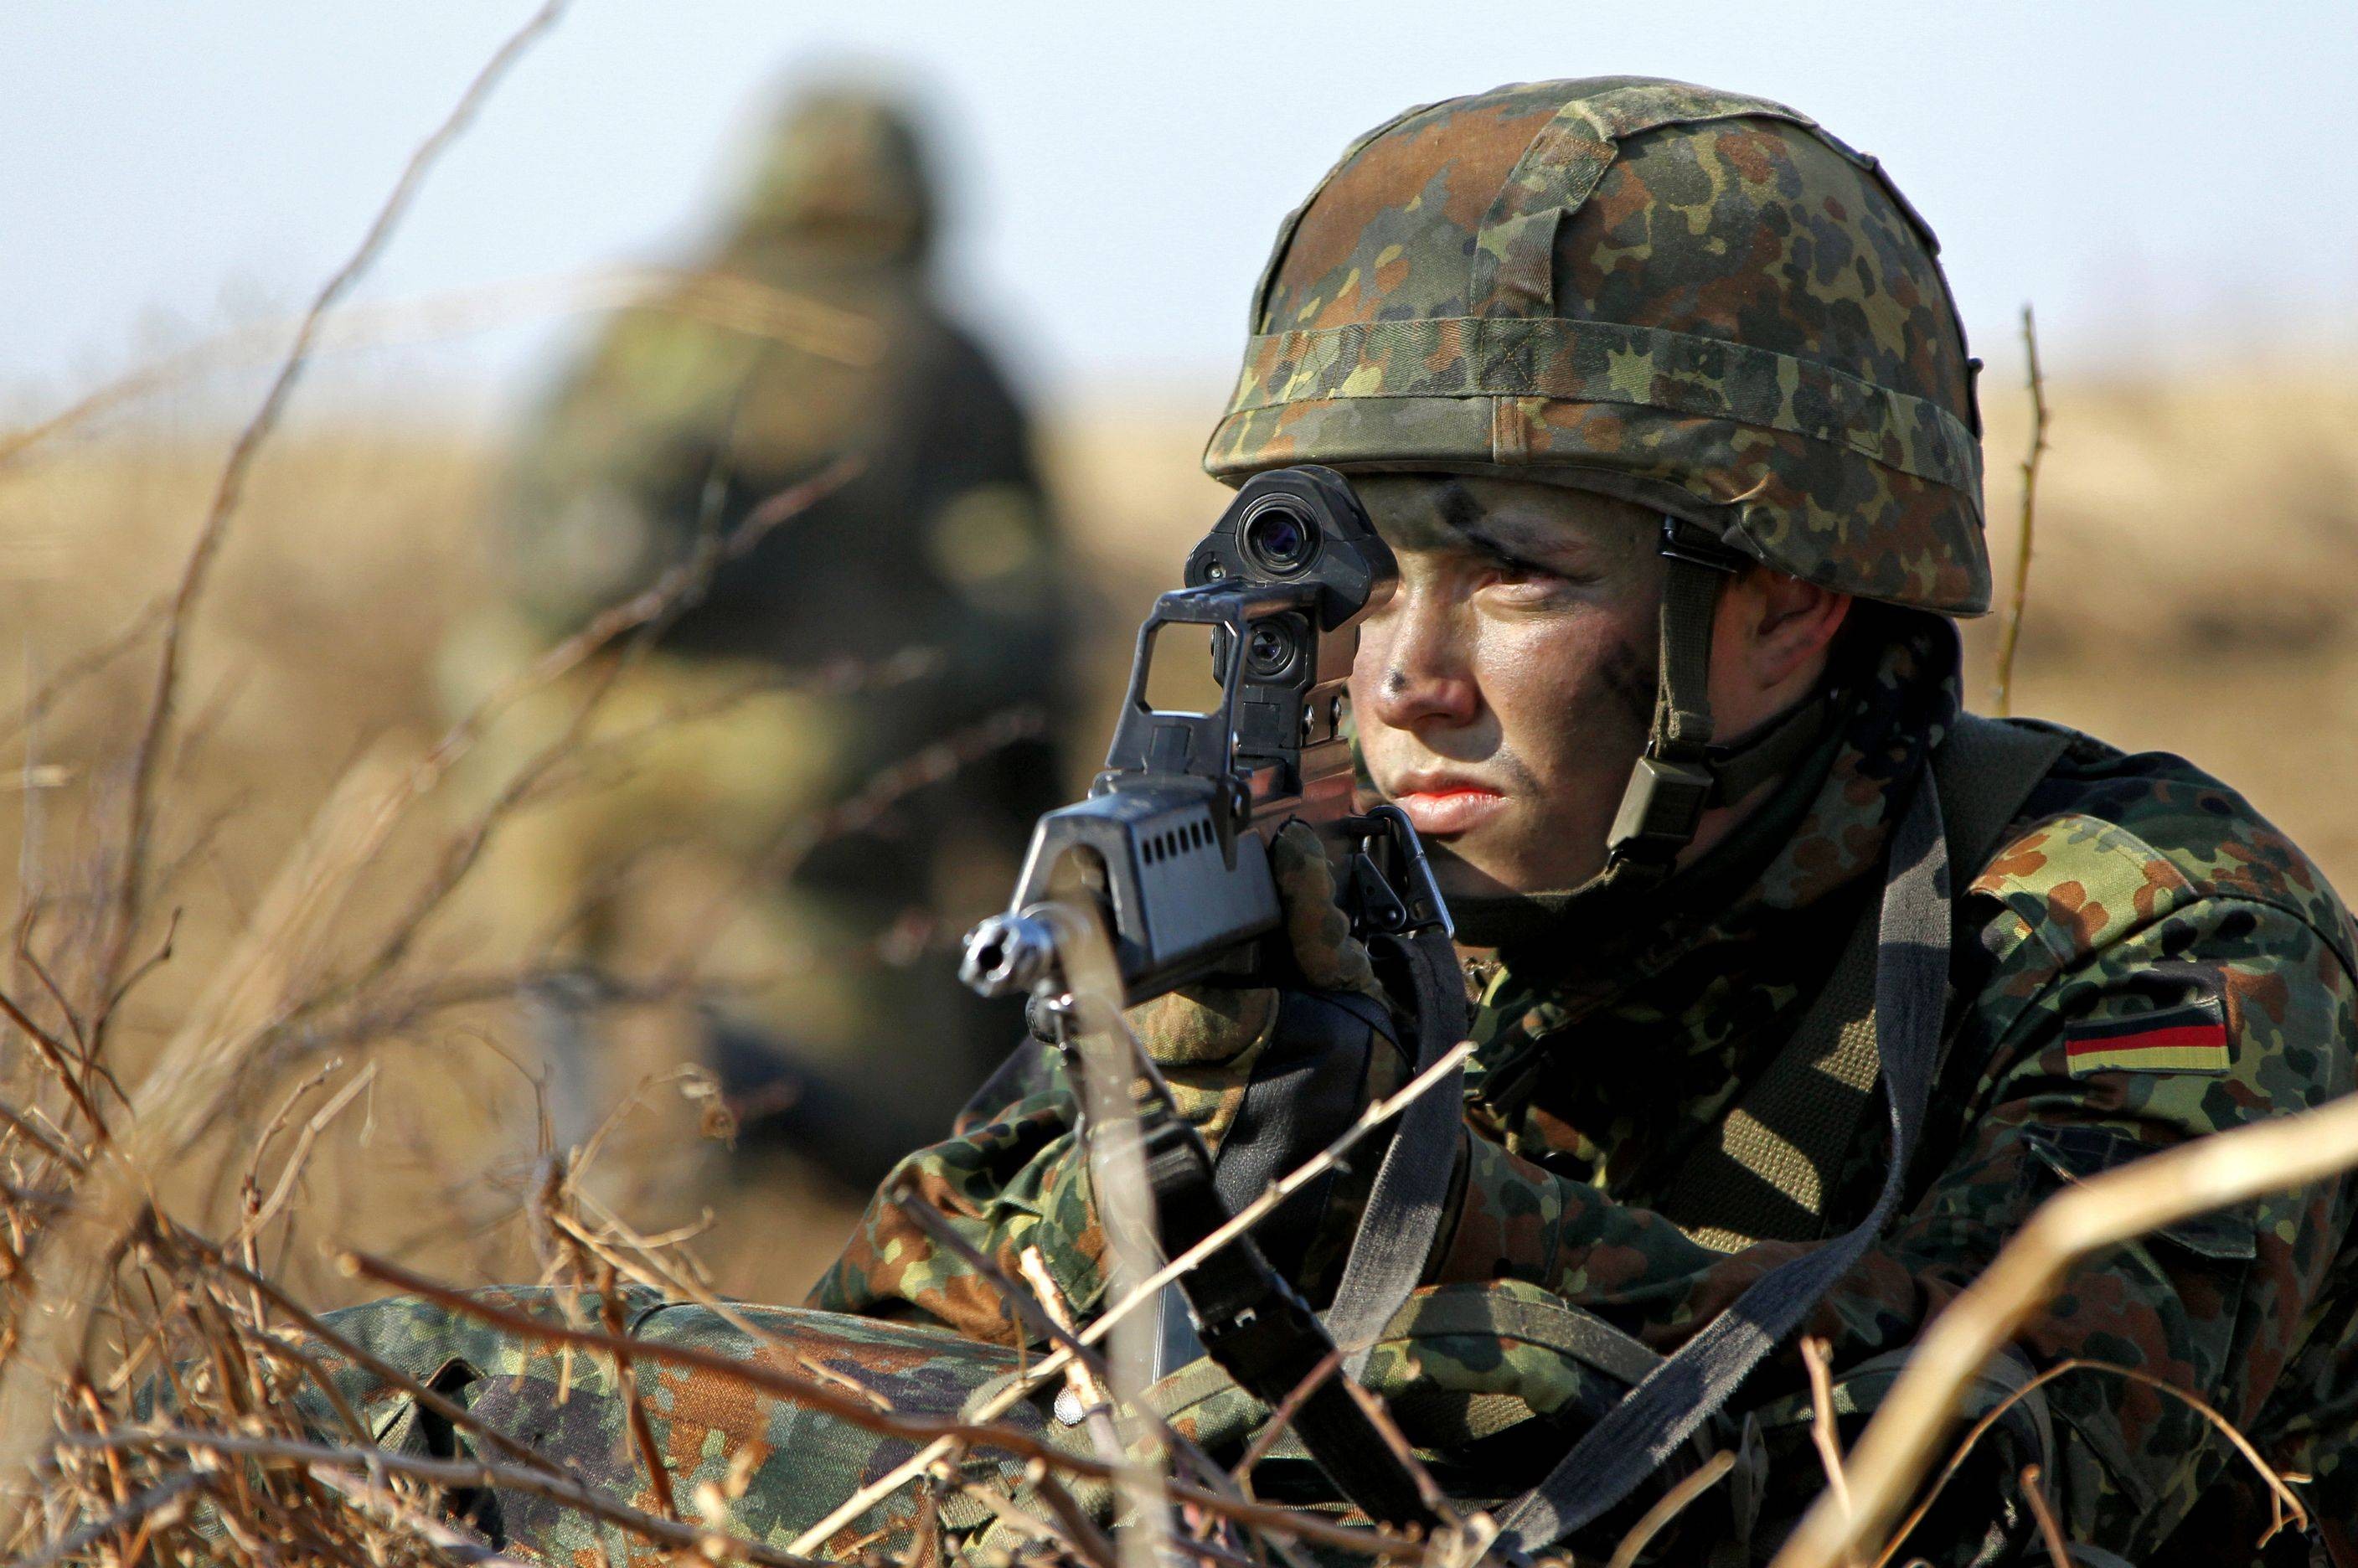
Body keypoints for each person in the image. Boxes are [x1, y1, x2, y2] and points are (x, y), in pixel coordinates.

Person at [302, 76, 2355, 1566]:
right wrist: (1165, 1153)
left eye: (1515, 570)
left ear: (1792, 599)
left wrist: (1393, 1221)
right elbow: (890, 1367)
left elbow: (2010, 1496)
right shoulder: (1323, 894)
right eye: (1349, 568)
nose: (1401, 673)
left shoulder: (2138, 937)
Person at [441, 80, 1071, 1190]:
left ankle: (556, 1163)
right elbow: (1016, 595)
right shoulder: (929, 343)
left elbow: (523, 514)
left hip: (557, 742)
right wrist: (986, 738)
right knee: (889, 1099)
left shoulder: (651, 315)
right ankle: (782, 1134)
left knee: (555, 988)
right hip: (808, 753)